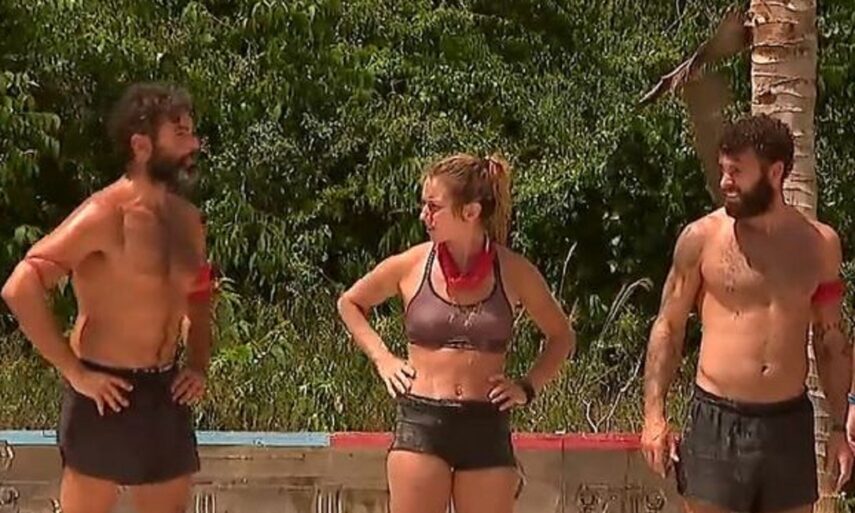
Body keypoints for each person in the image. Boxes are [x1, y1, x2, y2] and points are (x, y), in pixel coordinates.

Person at [1, 82, 213, 513]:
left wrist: (198, 362)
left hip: (165, 389)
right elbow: (20, 286)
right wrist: (75, 372)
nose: (193, 145)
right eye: (180, 134)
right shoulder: (104, 215)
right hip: (105, 391)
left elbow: (199, 295)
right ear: (141, 145)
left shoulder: (188, 221)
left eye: (192, 133)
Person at [337, 153, 575, 513]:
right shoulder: (412, 264)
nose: (423, 215)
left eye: (434, 207)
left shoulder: (514, 270)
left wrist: (527, 386)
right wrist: (383, 359)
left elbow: (561, 336)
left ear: (471, 212)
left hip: (485, 424)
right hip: (422, 421)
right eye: (423, 205)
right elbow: (350, 303)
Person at [641, 114, 853, 513]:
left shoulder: (819, 245)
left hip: (787, 422)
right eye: (723, 170)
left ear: (775, 173)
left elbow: (831, 339)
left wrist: (840, 428)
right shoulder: (702, 238)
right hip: (718, 418)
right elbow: (669, 326)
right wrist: (654, 415)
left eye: (737, 172)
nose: (725, 182)